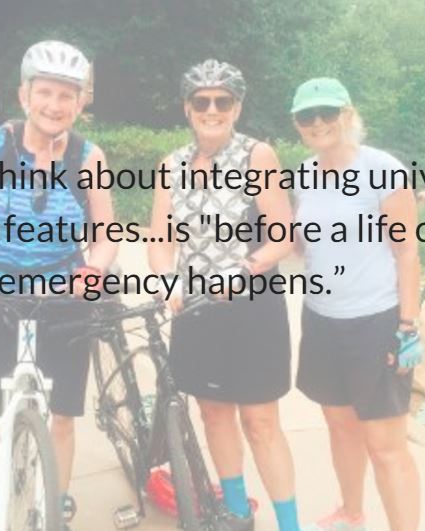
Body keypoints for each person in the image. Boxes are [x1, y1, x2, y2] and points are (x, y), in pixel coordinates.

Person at [0, 40, 117, 531]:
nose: (55, 104)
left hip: (63, 300)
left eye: (67, 95)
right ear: (24, 95)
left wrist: (94, 269)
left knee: (63, 418)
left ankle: (56, 505)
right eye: (45, 92)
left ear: (80, 103)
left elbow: (105, 236)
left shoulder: (89, 157)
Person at [147, 59, 300, 531]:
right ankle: (236, 512)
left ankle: (290, 524)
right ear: (187, 108)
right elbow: (160, 240)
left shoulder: (257, 155)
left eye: (222, 101)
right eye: (201, 101)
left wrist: (246, 269)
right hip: (195, 308)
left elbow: (282, 235)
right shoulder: (171, 165)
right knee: (213, 414)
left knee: (260, 422)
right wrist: (165, 278)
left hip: (252, 307)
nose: (211, 110)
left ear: (237, 107)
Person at [290, 78, 423, 531]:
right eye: (307, 116)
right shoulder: (303, 175)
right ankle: (351, 514)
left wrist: (408, 326)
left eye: (328, 112)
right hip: (321, 320)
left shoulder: (383, 170)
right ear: (297, 123)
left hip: (376, 322)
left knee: (385, 446)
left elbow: (407, 252)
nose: (318, 122)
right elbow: (303, 245)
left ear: (348, 114)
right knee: (341, 427)